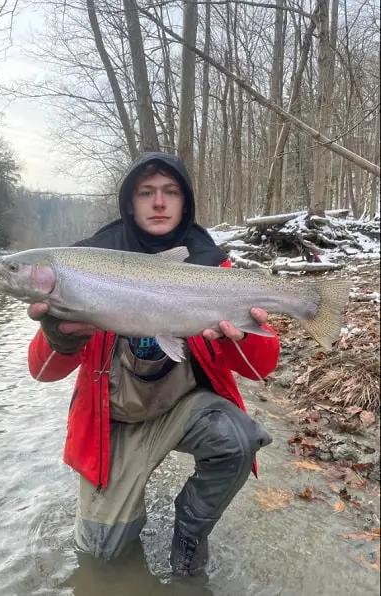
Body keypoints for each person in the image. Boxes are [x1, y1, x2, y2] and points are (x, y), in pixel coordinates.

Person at [27, 152, 280, 578]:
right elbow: (42, 371)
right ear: (130, 203)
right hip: (115, 424)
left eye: (169, 192)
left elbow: (262, 367)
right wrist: (59, 335)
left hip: (182, 412)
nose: (158, 203)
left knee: (237, 438)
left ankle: (190, 532)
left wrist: (240, 338)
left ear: (185, 203)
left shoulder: (211, 266)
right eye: (146, 193)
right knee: (102, 557)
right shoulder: (87, 264)